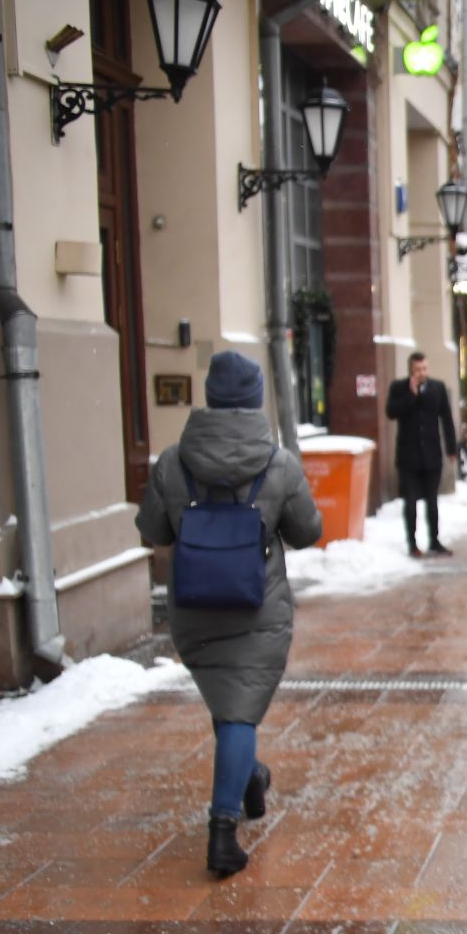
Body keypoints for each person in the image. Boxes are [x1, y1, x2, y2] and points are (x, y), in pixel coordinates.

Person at [136, 352, 322, 877]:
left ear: (212, 399)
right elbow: (307, 532)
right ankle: (223, 830)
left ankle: (251, 779)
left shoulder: (173, 462)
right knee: (239, 710)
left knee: (229, 703)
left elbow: (154, 529)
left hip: (194, 607)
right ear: (255, 399)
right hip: (256, 607)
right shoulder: (278, 463)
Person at [385, 350, 458, 558]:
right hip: (408, 457)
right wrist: (411, 395)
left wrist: (451, 448)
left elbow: (446, 418)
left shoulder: (437, 388)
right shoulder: (399, 388)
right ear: (411, 370)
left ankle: (434, 541)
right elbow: (391, 412)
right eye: (417, 370)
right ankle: (412, 544)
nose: (421, 373)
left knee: (432, 502)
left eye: (424, 369)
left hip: (431, 456)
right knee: (411, 502)